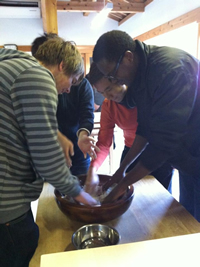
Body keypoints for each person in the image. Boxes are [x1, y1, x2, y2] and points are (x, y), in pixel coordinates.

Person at [0, 38, 97, 267]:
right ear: (62, 65)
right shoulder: (37, 76)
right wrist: (81, 195)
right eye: (72, 81)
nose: (68, 90)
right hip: (6, 204)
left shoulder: (12, 68)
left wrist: (54, 134)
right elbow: (46, 159)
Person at [92, 30, 200, 222]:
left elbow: (162, 142)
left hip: (194, 151)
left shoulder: (171, 70)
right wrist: (121, 170)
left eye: (113, 74)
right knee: (187, 217)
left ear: (128, 57)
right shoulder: (139, 76)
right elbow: (145, 128)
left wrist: (122, 184)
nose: (115, 81)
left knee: (194, 225)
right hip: (186, 159)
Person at [84, 63, 173, 194]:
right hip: (130, 154)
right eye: (102, 92)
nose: (107, 96)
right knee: (126, 198)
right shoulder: (109, 106)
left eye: (109, 89)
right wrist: (93, 169)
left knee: (159, 200)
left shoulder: (145, 95)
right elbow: (104, 143)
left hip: (157, 153)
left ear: (119, 79)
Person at [31, 33, 97, 175]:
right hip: (49, 151)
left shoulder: (82, 85)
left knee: (77, 186)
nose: (67, 90)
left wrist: (83, 135)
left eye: (73, 82)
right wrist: (56, 137)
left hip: (78, 150)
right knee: (50, 192)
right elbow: (39, 120)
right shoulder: (35, 85)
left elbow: (87, 114)